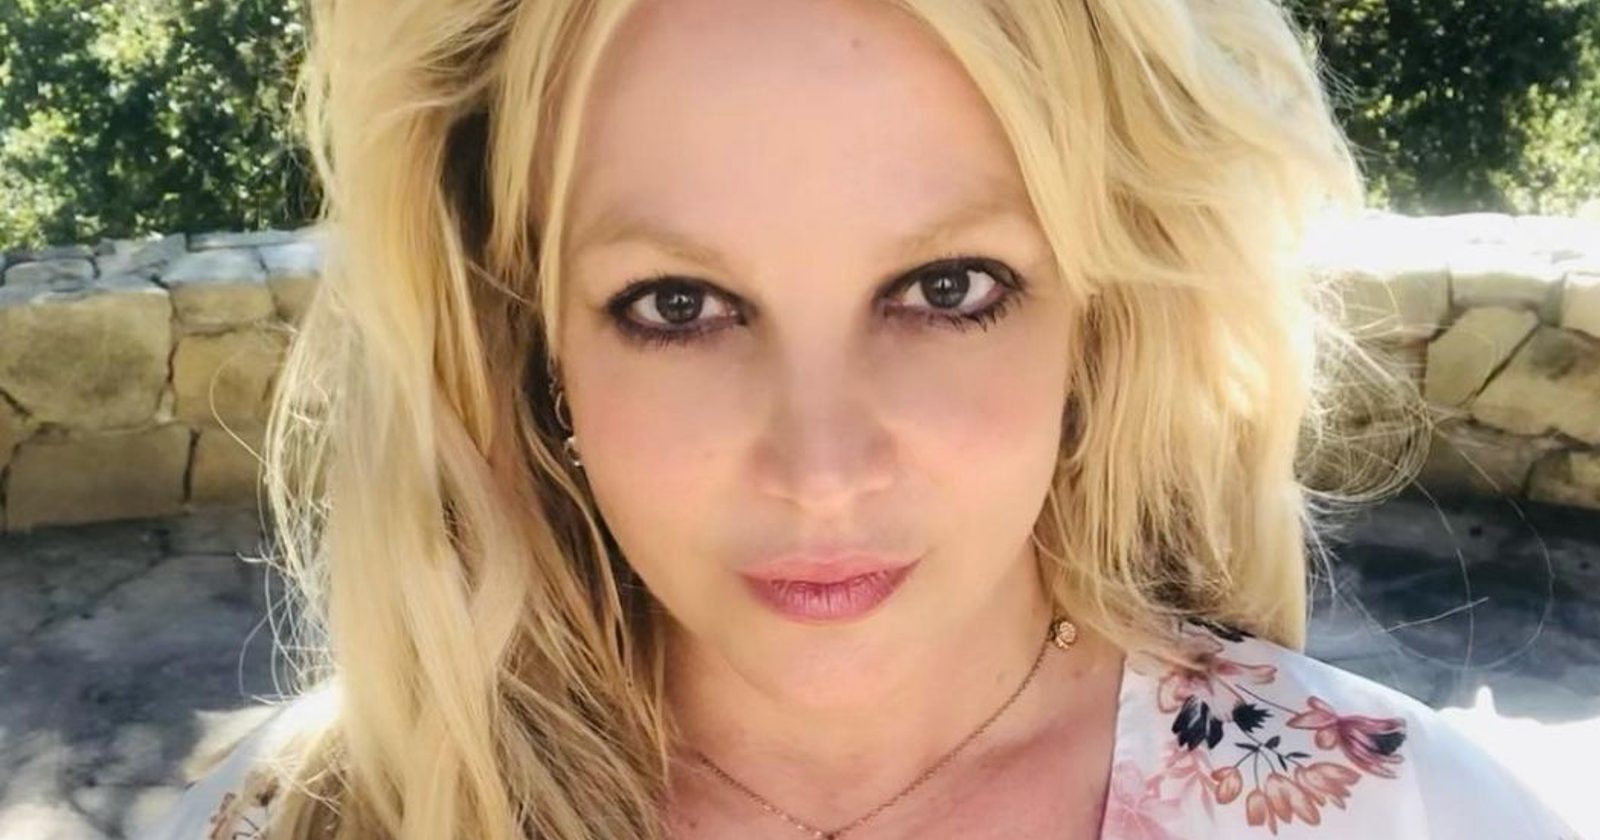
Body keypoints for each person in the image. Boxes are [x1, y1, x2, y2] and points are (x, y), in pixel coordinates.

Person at [146, 0, 1584, 838]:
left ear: (1098, 315)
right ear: (529, 343)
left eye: (948, 288)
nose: (821, 472)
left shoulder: (1412, 820)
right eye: (677, 305)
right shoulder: (312, 825)